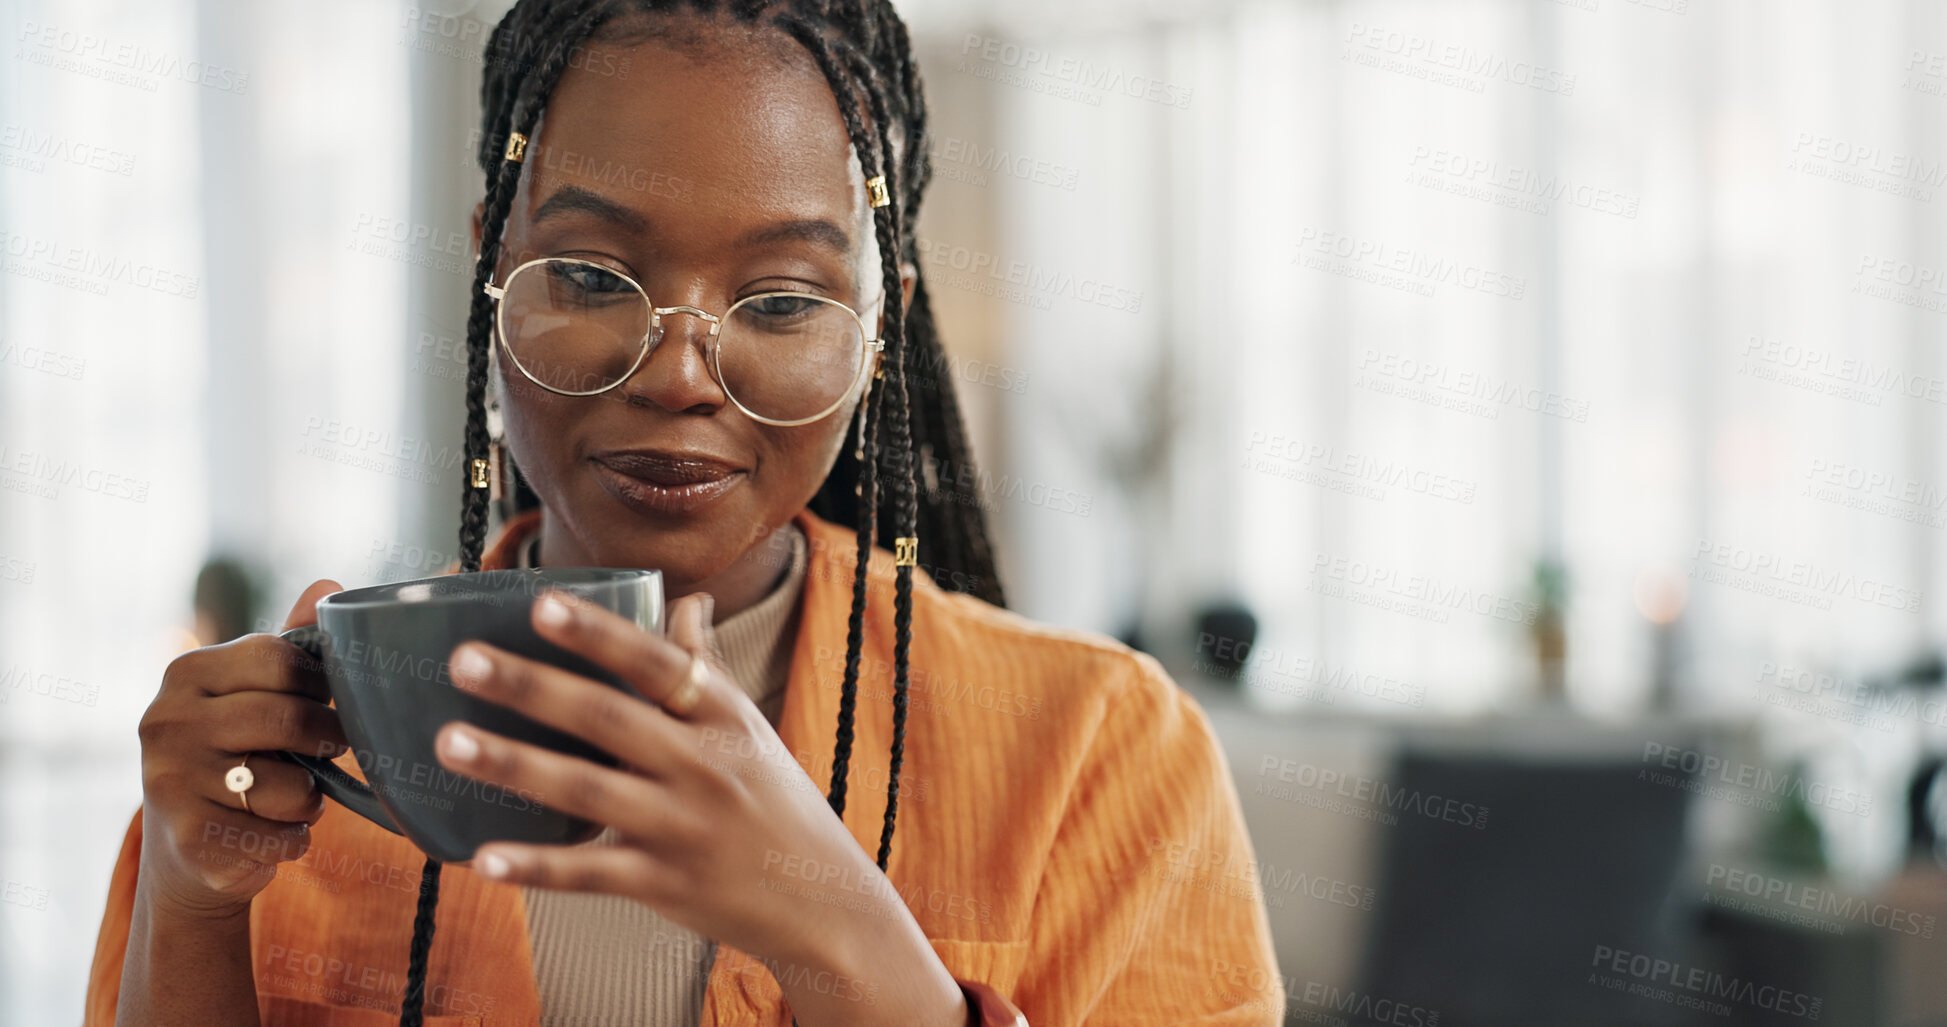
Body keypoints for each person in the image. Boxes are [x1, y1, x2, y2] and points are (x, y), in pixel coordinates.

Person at [83, 1, 1282, 1024]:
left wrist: (837, 930)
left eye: (781, 299)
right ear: (488, 272)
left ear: (876, 330)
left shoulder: (1106, 755)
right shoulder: (292, 747)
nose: (679, 374)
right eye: (596, 278)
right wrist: (191, 903)